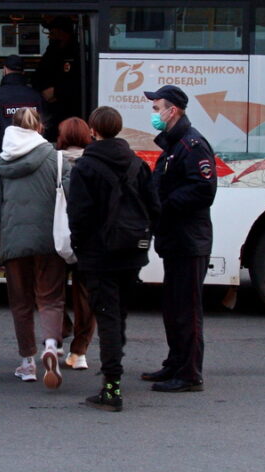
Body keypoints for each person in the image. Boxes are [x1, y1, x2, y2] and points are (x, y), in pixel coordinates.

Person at [67, 106, 160, 412]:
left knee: (106, 315)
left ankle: (111, 388)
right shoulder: (137, 164)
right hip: (132, 251)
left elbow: (78, 216)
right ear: (118, 129)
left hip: (99, 253)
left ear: (93, 130)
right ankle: (113, 368)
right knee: (118, 313)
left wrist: (81, 250)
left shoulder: (85, 166)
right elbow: (153, 207)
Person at [141, 84, 217, 393]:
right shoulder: (174, 144)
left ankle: (189, 373)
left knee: (187, 308)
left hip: (189, 240)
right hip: (175, 239)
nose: (154, 113)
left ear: (173, 110)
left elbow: (203, 190)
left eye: (157, 107)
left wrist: (164, 204)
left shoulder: (192, 144)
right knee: (173, 306)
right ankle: (174, 362)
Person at [0, 107, 68, 389]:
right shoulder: (57, 158)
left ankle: (27, 362)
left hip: (13, 242)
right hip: (50, 241)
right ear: (40, 128)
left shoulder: (2, 162)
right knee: (51, 298)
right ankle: (49, 345)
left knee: (20, 304)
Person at [56, 116, 96, 371]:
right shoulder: (95, 162)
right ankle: (79, 352)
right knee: (85, 296)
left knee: (50, 291)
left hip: (58, 236)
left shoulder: (52, 162)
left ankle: (61, 330)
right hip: (88, 238)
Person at [0, 54, 44, 158]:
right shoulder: (36, 97)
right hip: (34, 157)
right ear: (23, 72)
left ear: (4, 70)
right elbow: (44, 128)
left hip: (4, 159)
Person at [34, 16, 82, 135]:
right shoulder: (52, 50)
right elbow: (39, 73)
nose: (50, 36)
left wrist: (57, 92)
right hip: (49, 104)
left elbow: (78, 81)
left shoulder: (76, 52)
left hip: (69, 106)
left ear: (63, 33)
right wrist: (43, 90)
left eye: (53, 32)